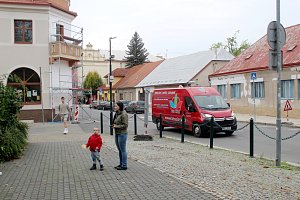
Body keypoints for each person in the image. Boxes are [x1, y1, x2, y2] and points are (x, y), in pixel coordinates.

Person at [113, 101, 128, 170]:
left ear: (119, 107)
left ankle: (124, 165)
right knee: (120, 150)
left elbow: (125, 125)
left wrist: (117, 126)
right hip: (117, 133)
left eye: (116, 106)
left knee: (123, 150)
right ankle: (121, 163)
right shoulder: (117, 113)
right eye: (114, 106)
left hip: (122, 133)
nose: (114, 107)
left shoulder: (123, 114)